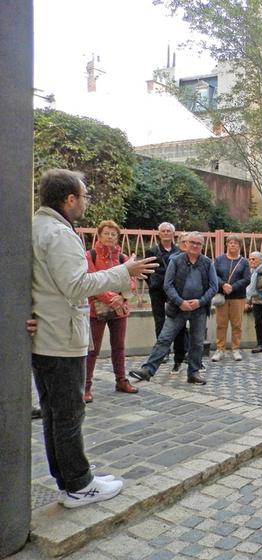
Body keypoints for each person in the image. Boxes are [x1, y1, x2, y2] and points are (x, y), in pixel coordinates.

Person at [31, 169, 156, 508]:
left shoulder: (38, 226)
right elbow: (76, 285)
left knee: (57, 414)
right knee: (68, 415)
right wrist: (122, 273)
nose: (86, 201)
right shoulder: (58, 233)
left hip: (48, 335)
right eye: (83, 195)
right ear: (69, 199)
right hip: (60, 337)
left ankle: (72, 478)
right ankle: (78, 486)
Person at [129, 232, 218, 385]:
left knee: (196, 342)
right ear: (186, 243)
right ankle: (147, 370)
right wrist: (180, 301)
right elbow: (167, 285)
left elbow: (213, 286)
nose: (195, 246)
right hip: (178, 308)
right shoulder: (175, 261)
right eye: (192, 242)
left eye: (198, 243)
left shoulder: (207, 263)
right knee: (164, 338)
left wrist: (200, 301)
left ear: (202, 246)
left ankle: (193, 372)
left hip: (199, 309)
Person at [83, 220, 139, 403]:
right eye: (106, 233)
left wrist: (121, 298)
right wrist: (112, 299)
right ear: (99, 236)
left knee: (119, 346)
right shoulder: (89, 256)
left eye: (113, 234)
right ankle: (85, 386)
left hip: (119, 308)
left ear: (118, 238)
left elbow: (131, 281)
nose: (109, 237)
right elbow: (92, 282)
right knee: (93, 349)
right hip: (96, 310)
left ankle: (121, 381)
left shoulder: (123, 258)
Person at [145, 222, 187, 373]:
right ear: (159, 233)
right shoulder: (152, 251)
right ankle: (163, 352)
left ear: (173, 233)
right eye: (163, 231)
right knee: (159, 320)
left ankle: (181, 352)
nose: (166, 233)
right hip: (157, 290)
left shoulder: (179, 251)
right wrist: (152, 283)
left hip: (174, 290)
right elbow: (146, 270)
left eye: (169, 231)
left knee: (178, 321)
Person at [211, 235, 251, 362]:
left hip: (238, 297)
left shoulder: (244, 262)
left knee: (237, 324)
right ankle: (219, 349)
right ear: (226, 245)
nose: (233, 245)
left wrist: (233, 287)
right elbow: (213, 275)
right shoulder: (218, 260)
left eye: (235, 243)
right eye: (230, 243)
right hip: (222, 296)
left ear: (239, 246)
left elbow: (247, 279)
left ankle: (235, 348)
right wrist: (223, 285)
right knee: (221, 324)